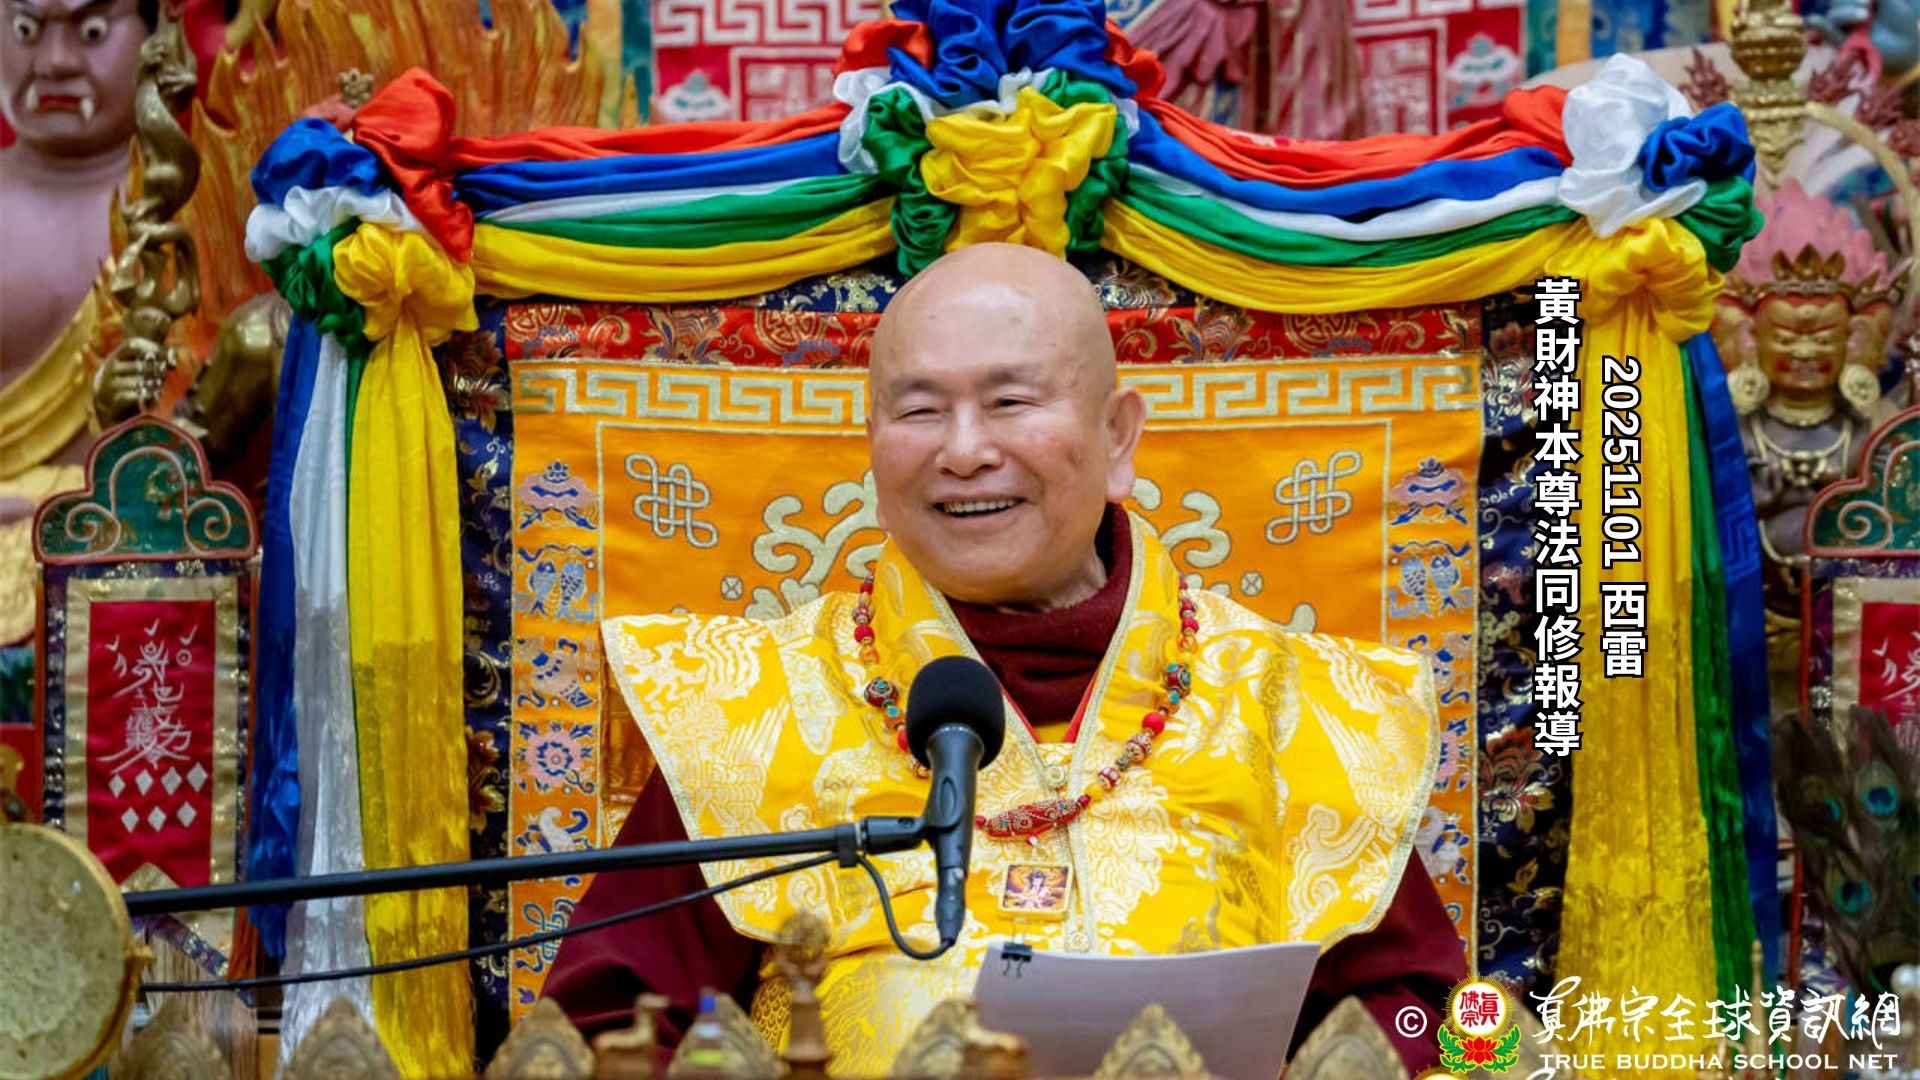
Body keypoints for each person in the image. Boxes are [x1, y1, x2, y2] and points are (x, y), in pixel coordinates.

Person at [550, 243, 1465, 1074]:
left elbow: (1434, 1021)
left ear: (1117, 438)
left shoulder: (1291, 697)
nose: (963, 451)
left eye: (1009, 402)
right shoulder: (746, 703)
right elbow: (604, 1030)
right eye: (919, 410)